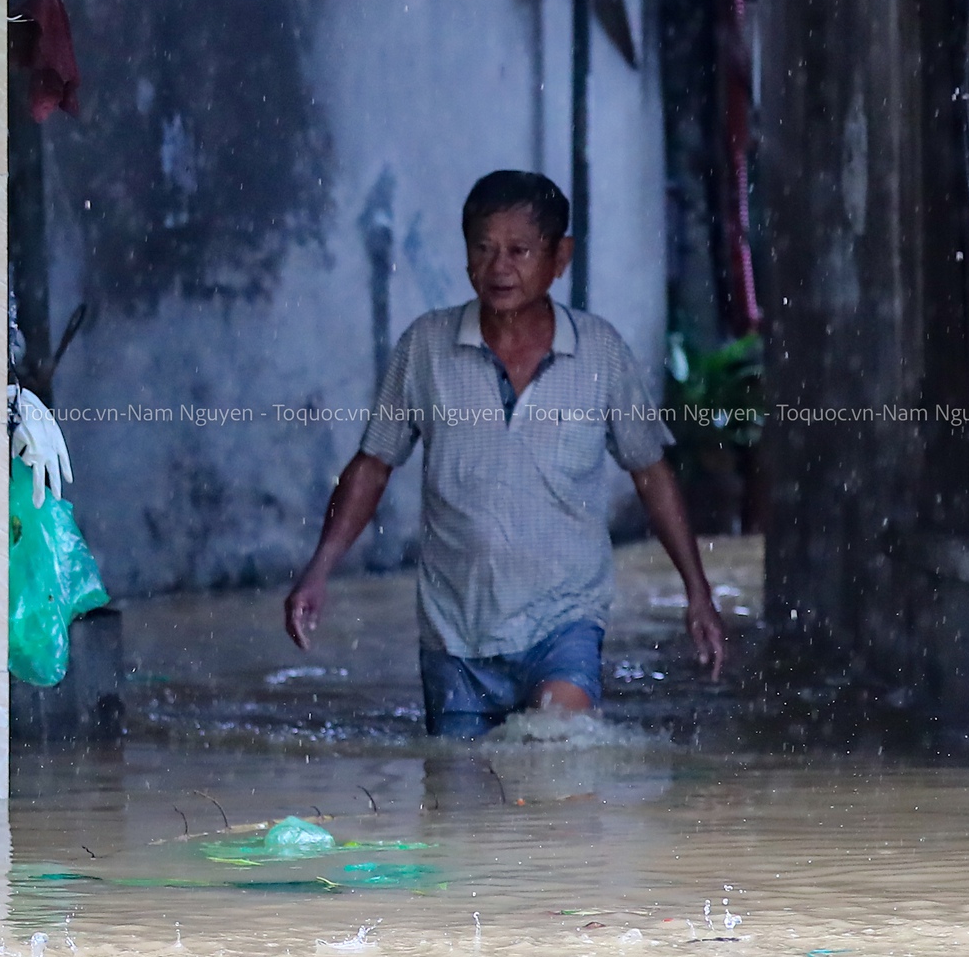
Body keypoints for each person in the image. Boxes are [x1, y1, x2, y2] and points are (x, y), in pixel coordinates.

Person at [283, 169, 724, 737]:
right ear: (466, 255)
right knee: (462, 809)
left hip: (564, 620)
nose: (499, 268)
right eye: (483, 249)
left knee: (560, 760)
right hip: (455, 634)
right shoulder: (425, 347)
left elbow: (651, 472)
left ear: (559, 257)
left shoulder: (601, 354)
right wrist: (318, 572)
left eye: (519, 250)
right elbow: (373, 465)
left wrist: (698, 592)